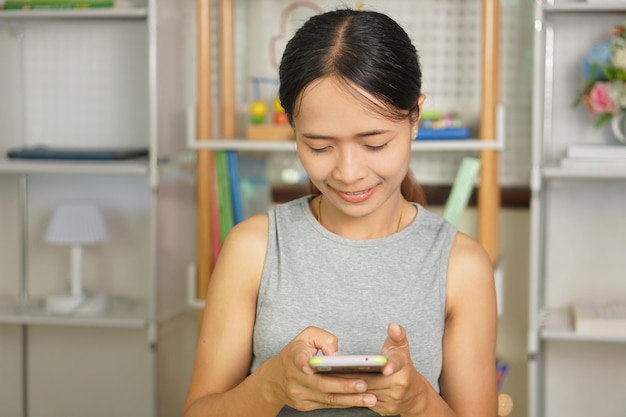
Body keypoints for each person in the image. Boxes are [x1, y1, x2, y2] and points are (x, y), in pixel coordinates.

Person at [183, 8, 497, 417]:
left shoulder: (461, 265)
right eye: (318, 146)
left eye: (375, 144)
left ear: (415, 117)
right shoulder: (253, 248)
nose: (348, 174)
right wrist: (271, 384)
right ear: (293, 128)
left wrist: (417, 400)